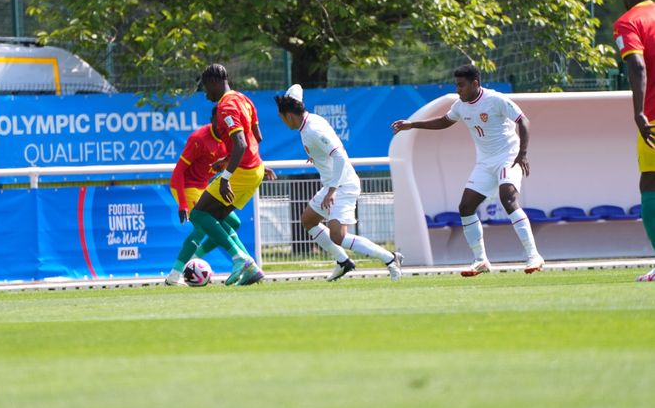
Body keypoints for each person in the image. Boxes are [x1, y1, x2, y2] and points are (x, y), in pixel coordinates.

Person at [391, 64, 544, 277]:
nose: (458, 89)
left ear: (475, 83)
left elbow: (523, 121)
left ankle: (533, 256)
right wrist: (412, 125)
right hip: (485, 163)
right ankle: (481, 260)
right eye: (456, 85)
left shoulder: (496, 99)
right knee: (465, 207)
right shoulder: (461, 106)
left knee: (507, 198)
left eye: (461, 85)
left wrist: (523, 153)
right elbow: (444, 121)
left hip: (508, 157)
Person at [275, 84, 403, 281]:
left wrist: (331, 191)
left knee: (338, 236)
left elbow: (341, 157)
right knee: (308, 220)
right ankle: (343, 262)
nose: (282, 122)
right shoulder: (309, 122)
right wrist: (317, 157)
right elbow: (328, 150)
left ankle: (390, 258)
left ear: (289, 115)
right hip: (333, 185)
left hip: (343, 185)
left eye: (282, 117)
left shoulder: (312, 129)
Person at [169, 63, 269, 286]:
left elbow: (241, 144)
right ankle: (251, 269)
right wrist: (227, 160)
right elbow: (257, 137)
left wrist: (225, 177)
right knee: (221, 218)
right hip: (255, 168)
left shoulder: (226, 107)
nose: (206, 93)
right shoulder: (244, 99)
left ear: (214, 82)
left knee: (198, 215)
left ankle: (239, 259)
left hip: (242, 171)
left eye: (206, 87)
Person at [164, 106, 254, 286]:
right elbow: (178, 172)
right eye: (219, 120)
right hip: (186, 186)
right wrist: (182, 204)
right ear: (213, 119)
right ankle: (174, 276)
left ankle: (196, 256)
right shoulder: (198, 139)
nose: (223, 125)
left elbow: (237, 157)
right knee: (201, 227)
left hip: (204, 187)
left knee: (234, 223)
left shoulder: (228, 139)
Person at [614, 0, 655, 282]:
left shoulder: (628, 22)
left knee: (650, 184)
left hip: (653, 116)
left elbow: (637, 67)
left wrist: (638, 112)